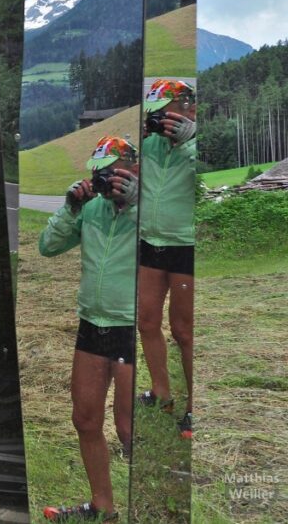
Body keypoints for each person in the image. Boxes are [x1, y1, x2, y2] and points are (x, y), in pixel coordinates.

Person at [39, 136, 140, 522]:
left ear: (133, 168)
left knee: (130, 428)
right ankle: (103, 508)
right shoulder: (91, 209)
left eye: (112, 172)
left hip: (129, 327)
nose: (105, 180)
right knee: (85, 419)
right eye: (98, 174)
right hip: (92, 326)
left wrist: (135, 205)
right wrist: (70, 208)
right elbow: (47, 246)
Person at [137, 79, 196, 439]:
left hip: (186, 245)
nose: (162, 120)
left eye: (167, 112)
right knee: (146, 321)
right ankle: (162, 392)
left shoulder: (196, 144)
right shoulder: (150, 144)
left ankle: (196, 404)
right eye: (155, 114)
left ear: (189, 108)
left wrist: (191, 141)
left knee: (184, 330)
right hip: (150, 242)